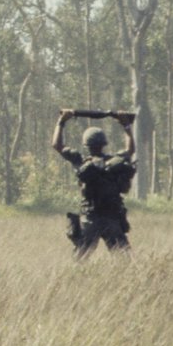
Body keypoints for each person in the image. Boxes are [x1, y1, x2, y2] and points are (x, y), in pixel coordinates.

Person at [51, 109, 137, 257]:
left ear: (86, 144)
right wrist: (126, 126)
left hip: (90, 218)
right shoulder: (114, 161)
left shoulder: (80, 160)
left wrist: (62, 121)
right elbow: (130, 150)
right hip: (112, 218)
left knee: (80, 259)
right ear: (104, 143)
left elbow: (57, 145)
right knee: (124, 258)